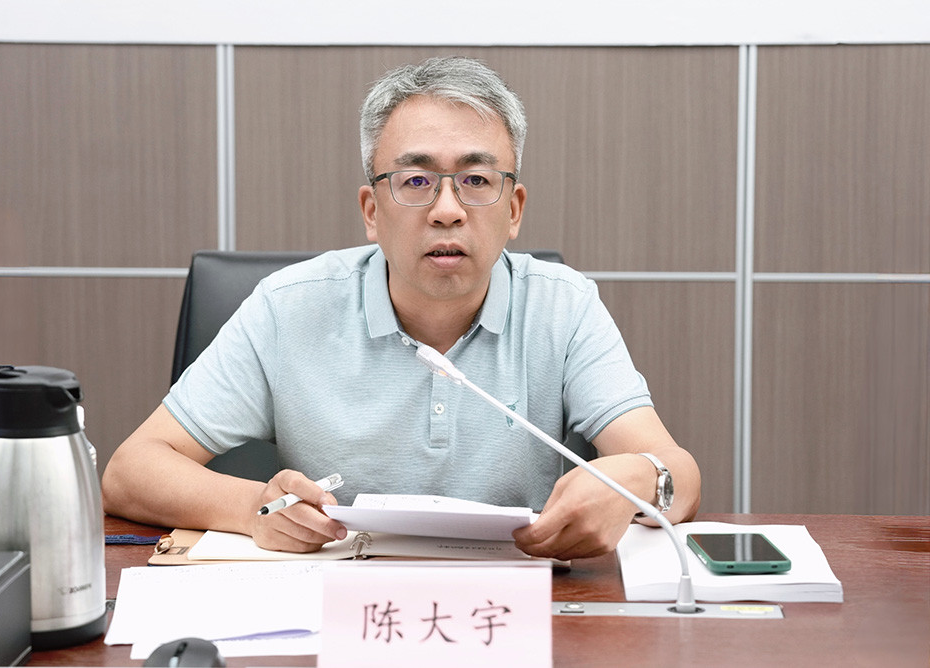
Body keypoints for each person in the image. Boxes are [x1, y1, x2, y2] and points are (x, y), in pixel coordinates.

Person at [101, 56, 701, 561]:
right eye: (416, 182)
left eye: (476, 181)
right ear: (371, 211)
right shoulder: (290, 308)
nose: (447, 210)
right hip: (341, 603)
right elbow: (130, 471)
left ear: (514, 209)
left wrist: (642, 478)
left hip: (515, 604)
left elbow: (681, 474)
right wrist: (254, 508)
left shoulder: (563, 307)